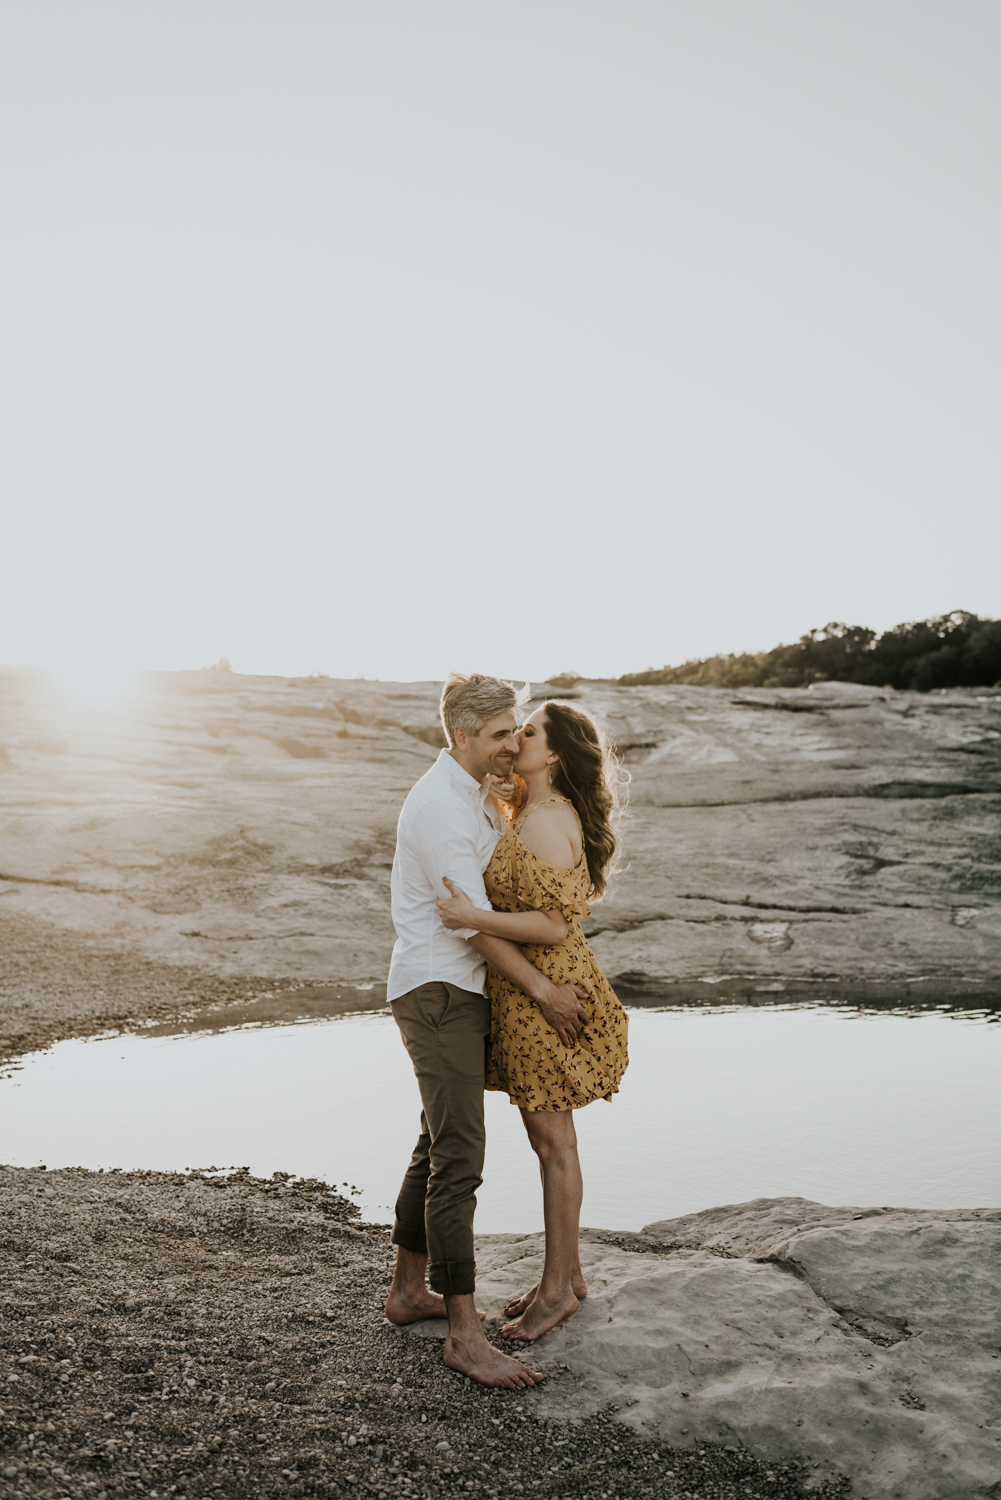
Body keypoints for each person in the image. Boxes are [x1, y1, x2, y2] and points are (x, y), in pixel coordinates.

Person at [382, 673, 590, 1389]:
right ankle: (466, 1339)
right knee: (460, 1160)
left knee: (433, 1146)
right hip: (439, 990)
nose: (512, 742)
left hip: (460, 992)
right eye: (501, 733)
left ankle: (410, 1294)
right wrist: (541, 990)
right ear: (462, 736)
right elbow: (465, 924)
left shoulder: (476, 793)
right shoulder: (441, 808)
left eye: (516, 731)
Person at [437, 698, 628, 1342]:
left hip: (551, 993)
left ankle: (556, 1294)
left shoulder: (549, 820)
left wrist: (473, 919)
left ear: (552, 754)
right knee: (552, 1141)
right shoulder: (530, 808)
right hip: (528, 994)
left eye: (529, 731)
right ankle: (567, 1274)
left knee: (554, 1144)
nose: (517, 736)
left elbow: (549, 924)